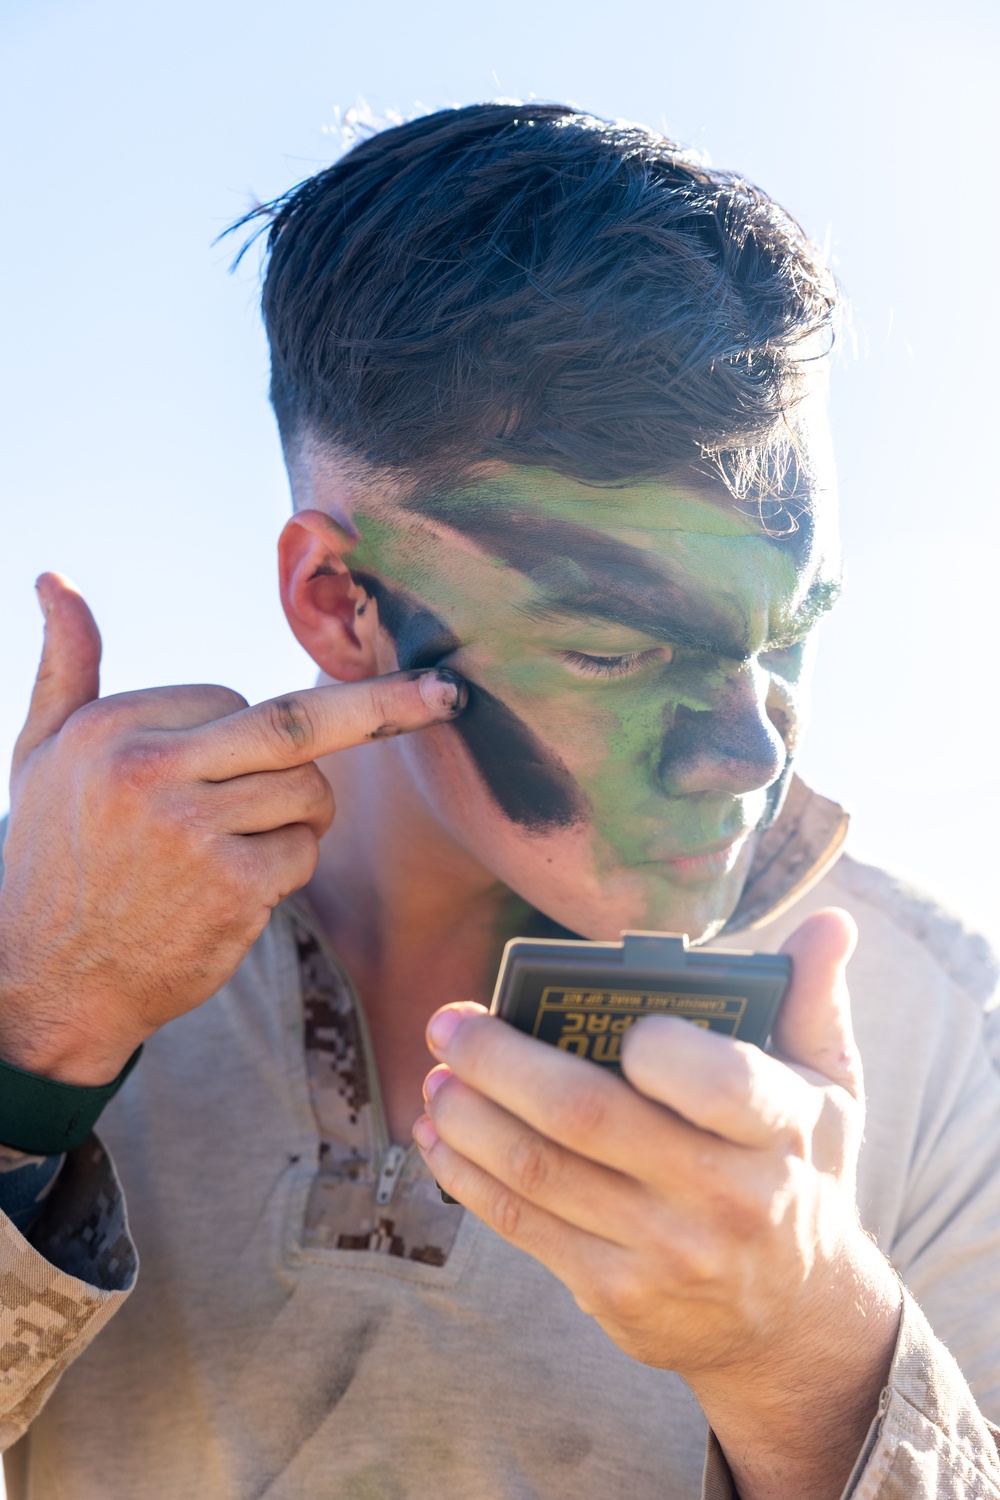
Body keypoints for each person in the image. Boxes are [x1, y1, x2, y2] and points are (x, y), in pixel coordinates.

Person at [0, 102, 998, 1500]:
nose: (749, 750)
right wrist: (32, 1047)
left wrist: (811, 1351)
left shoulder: (943, 1025)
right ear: (342, 604)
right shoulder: (38, 929)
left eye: (785, 633)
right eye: (614, 646)